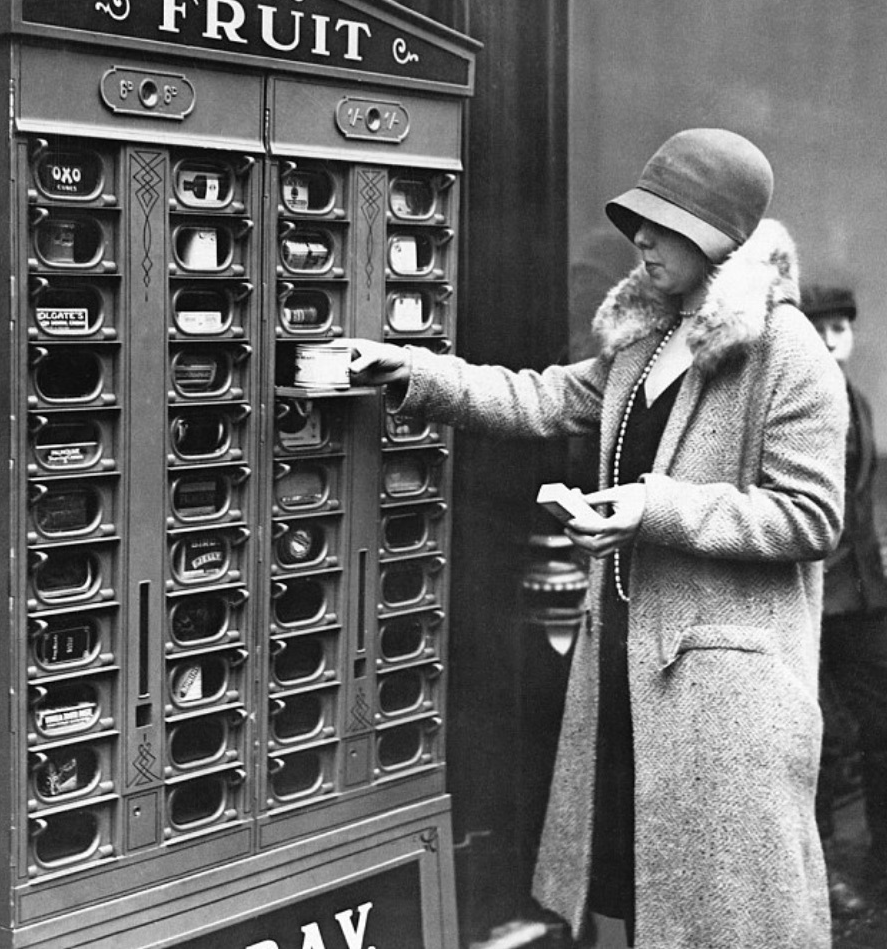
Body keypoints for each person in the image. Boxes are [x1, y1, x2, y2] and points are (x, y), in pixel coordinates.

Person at [350, 128, 847, 948]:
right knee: (635, 899)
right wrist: (409, 371)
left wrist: (653, 510)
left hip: (723, 701)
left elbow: (810, 516)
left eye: (661, 223)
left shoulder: (787, 354)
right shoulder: (646, 337)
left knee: (724, 916)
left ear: (716, 235)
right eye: (637, 221)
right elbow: (540, 398)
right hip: (626, 666)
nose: (639, 240)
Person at [801, 282, 887, 916]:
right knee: (821, 739)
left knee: (880, 725)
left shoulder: (857, 401)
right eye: (820, 327)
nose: (833, 340)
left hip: (863, 598)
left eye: (842, 328)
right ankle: (820, 868)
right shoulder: (800, 405)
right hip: (812, 600)